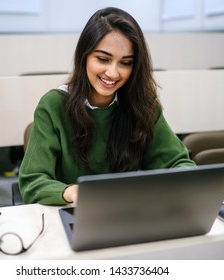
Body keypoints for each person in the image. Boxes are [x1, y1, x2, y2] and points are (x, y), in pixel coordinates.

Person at [18, 7, 195, 205]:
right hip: (72, 214)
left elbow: (178, 162)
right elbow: (33, 181)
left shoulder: (143, 105)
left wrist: (184, 179)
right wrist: (70, 192)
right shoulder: (54, 105)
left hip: (131, 212)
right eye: (103, 59)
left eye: (125, 63)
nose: (113, 73)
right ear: (84, 56)